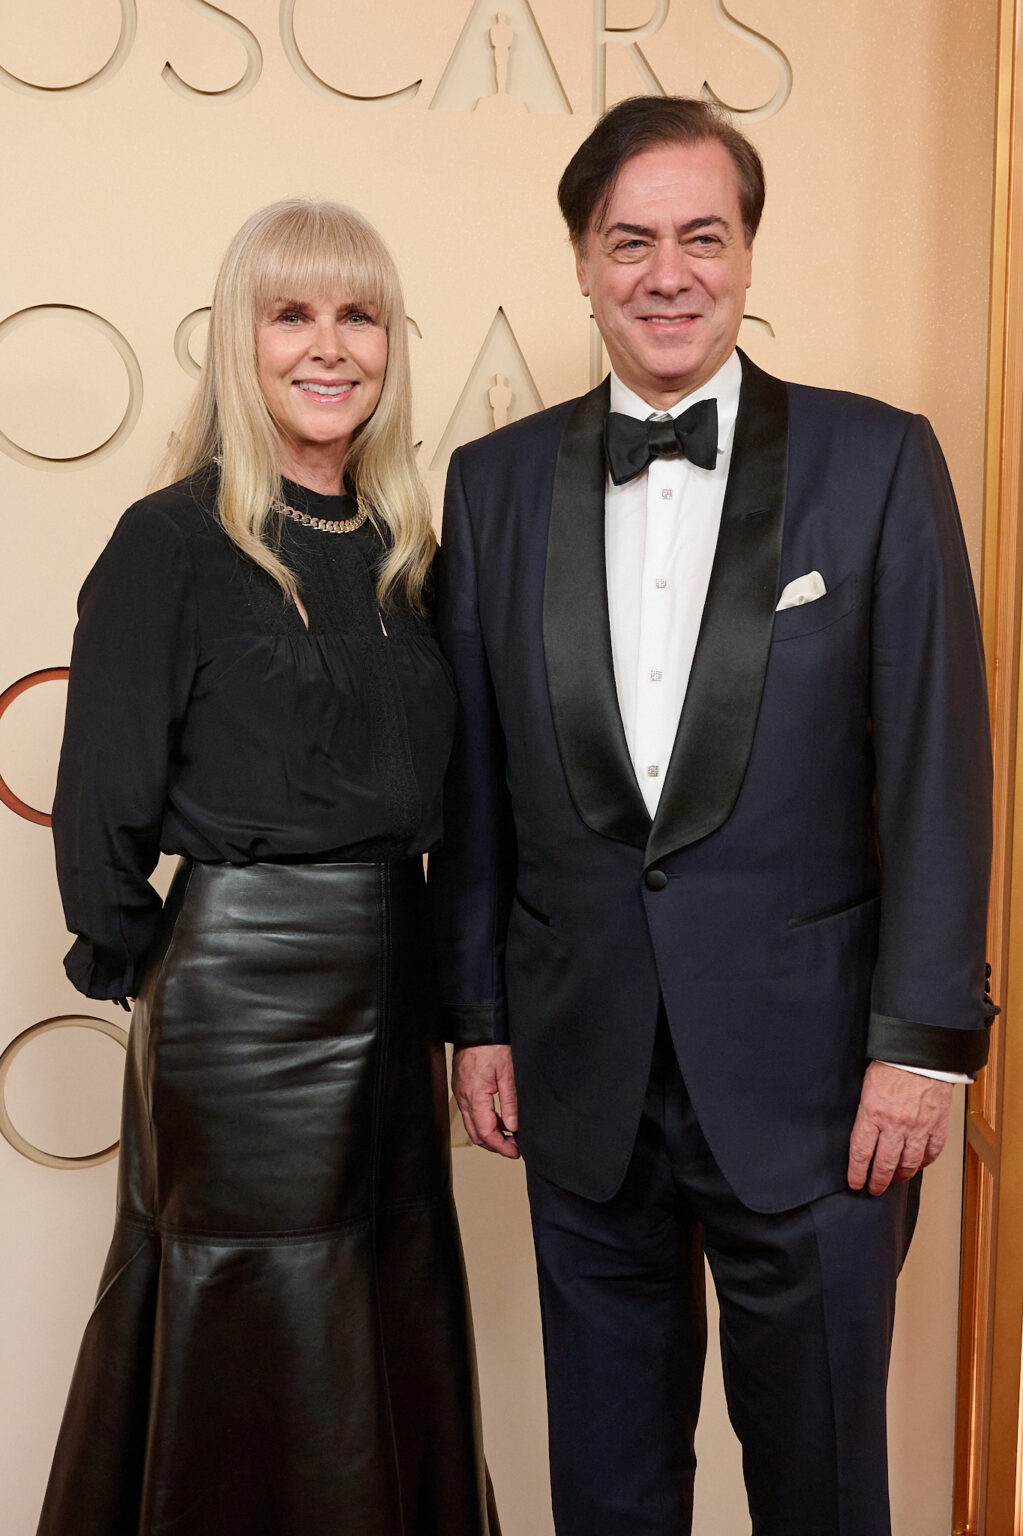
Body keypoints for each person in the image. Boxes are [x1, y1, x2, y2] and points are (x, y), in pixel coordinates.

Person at [431, 96, 994, 1536]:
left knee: (821, 1490)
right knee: (608, 1495)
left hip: (821, 1092)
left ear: (747, 257)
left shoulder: (877, 463)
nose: (666, 272)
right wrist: (478, 1014)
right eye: (631, 240)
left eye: (702, 236)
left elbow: (936, 767)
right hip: (579, 1075)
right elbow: (479, 783)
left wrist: (924, 1049)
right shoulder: (492, 488)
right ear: (581, 260)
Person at [39, 200, 499, 1536]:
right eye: (291, 312)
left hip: (396, 973)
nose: (329, 346)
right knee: (259, 1320)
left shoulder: (416, 553)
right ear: (242, 339)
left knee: (383, 1302)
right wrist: (161, 981)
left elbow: (462, 802)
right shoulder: (172, 542)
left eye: (357, 313)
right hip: (239, 999)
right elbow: (103, 805)